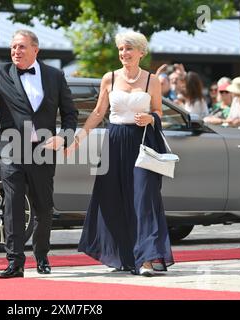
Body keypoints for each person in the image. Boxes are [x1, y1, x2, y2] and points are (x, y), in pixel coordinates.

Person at [0, 30, 78, 279]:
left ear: (36, 49)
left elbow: (70, 114)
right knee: (12, 206)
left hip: (43, 150)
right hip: (11, 149)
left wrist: (64, 137)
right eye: (13, 47)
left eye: (21, 47)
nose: (16, 51)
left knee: (44, 207)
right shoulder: (1, 72)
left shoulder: (55, 76)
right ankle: (15, 262)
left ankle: (42, 256)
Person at [66, 30, 174, 277]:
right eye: (121, 49)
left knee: (143, 199)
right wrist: (78, 138)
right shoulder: (109, 78)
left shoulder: (151, 81)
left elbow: (160, 111)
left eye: (129, 49)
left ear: (141, 52)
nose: (124, 53)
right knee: (112, 198)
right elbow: (97, 112)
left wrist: (151, 117)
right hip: (114, 141)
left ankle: (146, 259)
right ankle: (123, 256)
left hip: (142, 142)